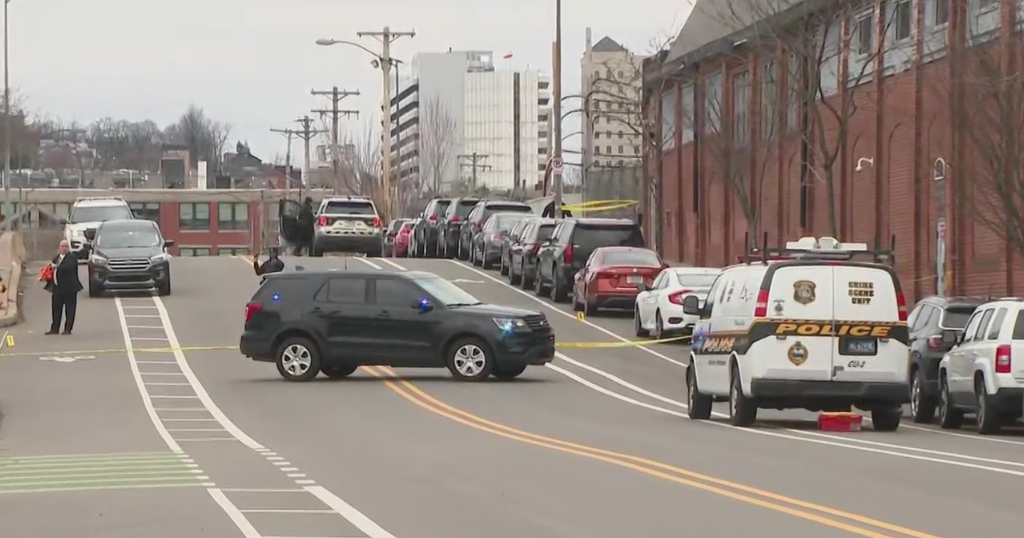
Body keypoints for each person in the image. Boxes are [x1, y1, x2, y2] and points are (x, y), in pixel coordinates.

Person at [45, 239, 85, 335]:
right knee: (56, 308)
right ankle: (55, 328)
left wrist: (57, 267)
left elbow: (68, 268)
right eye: (62, 246)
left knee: (70, 309)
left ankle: (67, 329)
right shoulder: (57, 258)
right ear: (59, 248)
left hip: (69, 288)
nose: (64, 248)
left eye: (66, 246)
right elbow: (52, 269)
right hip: (57, 288)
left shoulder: (72, 258)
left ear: (68, 248)